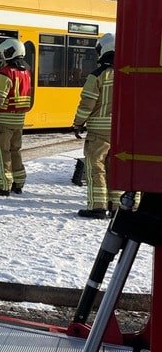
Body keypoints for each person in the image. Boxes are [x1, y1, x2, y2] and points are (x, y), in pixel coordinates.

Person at [73, 31, 117, 219]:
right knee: (116, 166)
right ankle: (118, 206)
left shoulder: (98, 75)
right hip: (122, 131)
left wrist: (77, 123)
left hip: (100, 130)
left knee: (96, 165)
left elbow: (87, 103)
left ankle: (97, 206)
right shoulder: (130, 73)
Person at [0, 38, 32, 197]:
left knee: (1, 152)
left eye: (3, 54)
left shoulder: (5, 74)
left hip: (2, 121)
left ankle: (3, 185)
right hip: (18, 120)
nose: (1, 57)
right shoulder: (25, 72)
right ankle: (18, 182)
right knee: (15, 151)